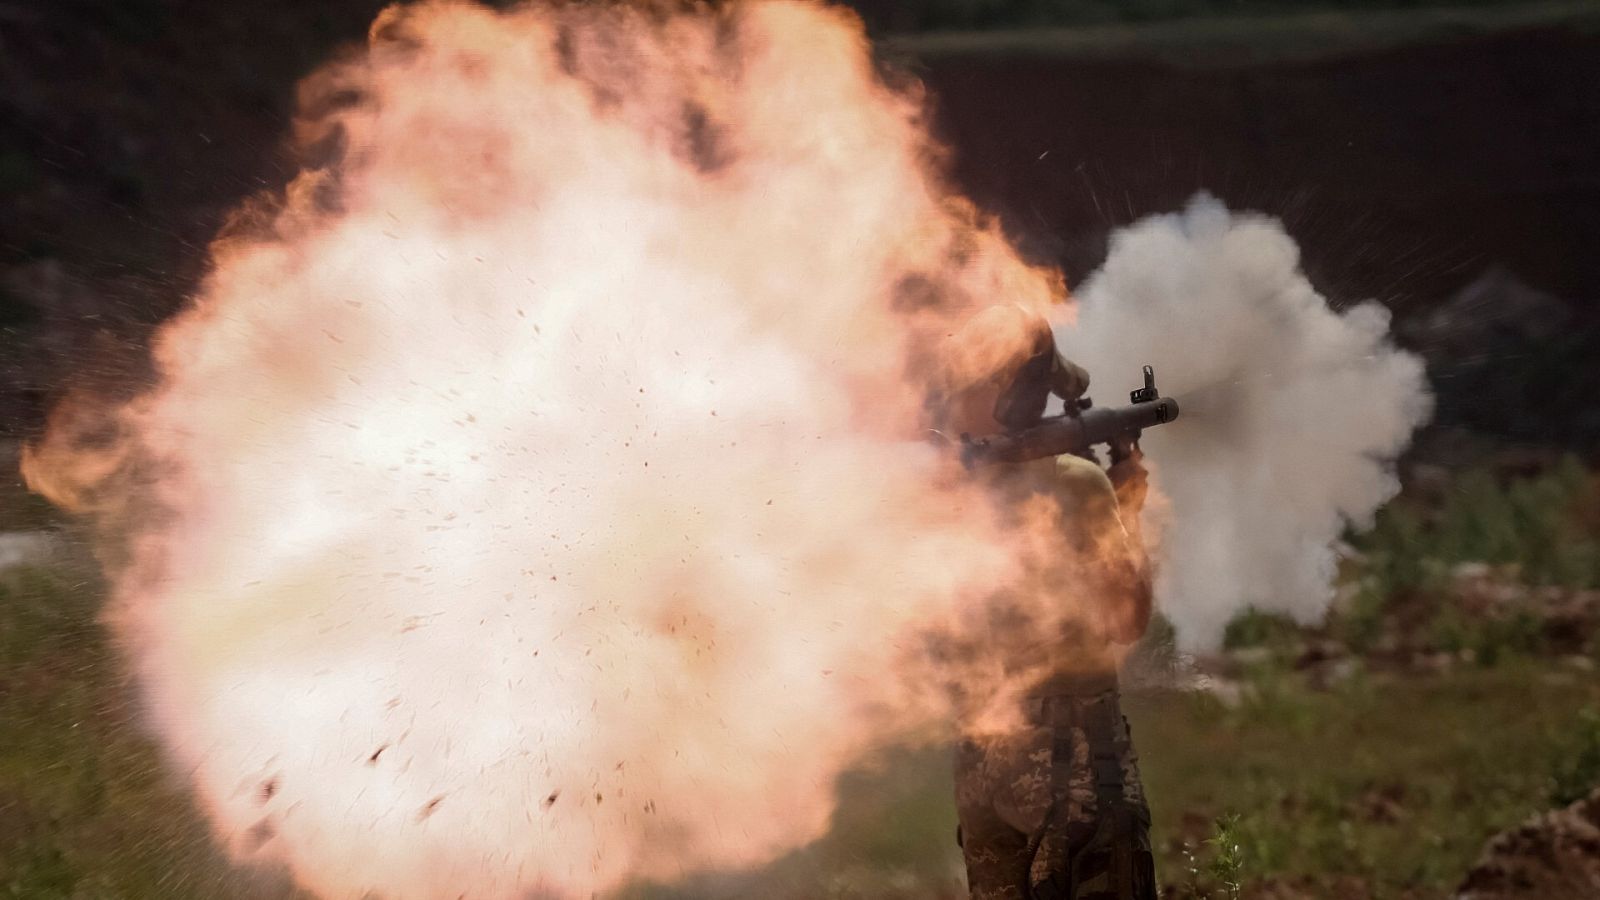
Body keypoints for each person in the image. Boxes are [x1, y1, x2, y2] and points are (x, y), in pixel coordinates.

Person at [935, 304, 1157, 900]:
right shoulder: (1072, 483)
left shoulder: (945, 493)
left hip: (982, 763)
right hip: (1072, 765)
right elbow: (1125, 617)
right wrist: (1128, 502)